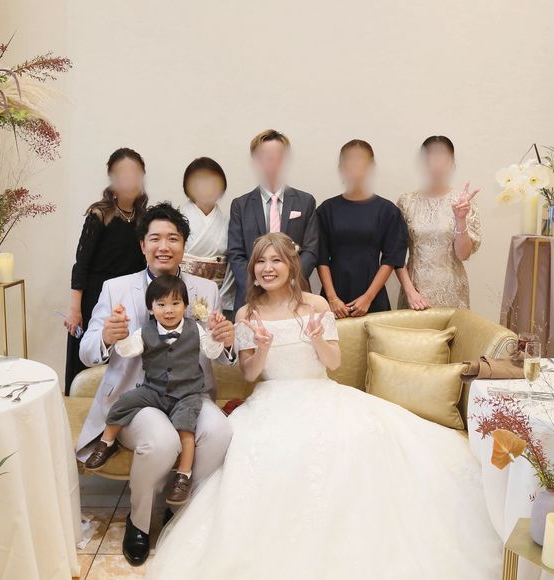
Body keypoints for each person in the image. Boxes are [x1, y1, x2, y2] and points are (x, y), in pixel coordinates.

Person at [147, 232, 501, 580]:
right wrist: (264, 348)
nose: (267, 268)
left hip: (321, 392)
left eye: (276, 260)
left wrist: (317, 338)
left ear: (291, 266)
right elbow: (250, 373)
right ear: (252, 270)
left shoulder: (315, 305)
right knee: (259, 448)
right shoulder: (246, 313)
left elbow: (333, 362)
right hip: (270, 399)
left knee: (349, 441)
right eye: (260, 262)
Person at [75, 202, 235, 567]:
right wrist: (107, 337)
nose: (164, 246)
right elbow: (87, 351)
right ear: (142, 245)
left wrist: (227, 342)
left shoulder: (205, 290)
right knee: (161, 440)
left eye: (173, 238)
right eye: (155, 238)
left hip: (189, 392)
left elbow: (219, 351)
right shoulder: (116, 289)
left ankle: (184, 513)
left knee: (220, 432)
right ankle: (141, 521)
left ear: (184, 245)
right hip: (138, 395)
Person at [84, 274, 226, 505]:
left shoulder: (195, 329)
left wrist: (216, 333)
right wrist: (121, 335)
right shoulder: (145, 331)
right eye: (161, 305)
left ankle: (184, 476)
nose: (168, 310)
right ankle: (106, 443)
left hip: (187, 393)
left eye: (175, 303)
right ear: (150, 308)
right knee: (124, 402)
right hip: (153, 390)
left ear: (186, 306)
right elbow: (128, 350)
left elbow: (211, 351)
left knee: (186, 430)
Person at [64, 147, 148, 395]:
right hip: (95, 298)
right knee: (91, 361)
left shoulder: (144, 217)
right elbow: (81, 264)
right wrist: (75, 310)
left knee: (126, 361)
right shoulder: (99, 214)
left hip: (129, 298)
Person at [227, 129, 319, 312]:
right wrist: (258, 284)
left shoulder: (305, 201)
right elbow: (236, 254)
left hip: (296, 294)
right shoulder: (240, 205)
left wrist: (289, 281)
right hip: (251, 297)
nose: (272, 161)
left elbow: (311, 250)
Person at [317, 140, 407, 319]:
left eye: (361, 161)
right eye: (350, 161)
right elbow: (321, 258)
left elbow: (391, 259)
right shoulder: (326, 209)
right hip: (334, 299)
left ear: (371, 167)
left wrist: (368, 297)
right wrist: (332, 298)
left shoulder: (387, 210)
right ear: (341, 167)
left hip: (374, 296)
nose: (355, 167)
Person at [396, 136, 481, 310]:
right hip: (415, 295)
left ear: (452, 163)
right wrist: (410, 291)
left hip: (453, 293)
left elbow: (463, 255)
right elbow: (395, 253)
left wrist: (460, 219)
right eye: (432, 157)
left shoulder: (463, 202)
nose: (437, 164)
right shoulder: (406, 201)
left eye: (443, 157)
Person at [180, 157, 235, 318]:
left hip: (218, 291)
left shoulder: (229, 223)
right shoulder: (176, 220)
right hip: (180, 293)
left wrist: (219, 298)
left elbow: (232, 265)